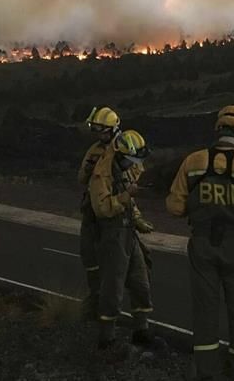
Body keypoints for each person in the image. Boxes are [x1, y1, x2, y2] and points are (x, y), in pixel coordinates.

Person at [166, 105, 234, 380]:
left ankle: (207, 373)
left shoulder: (193, 161)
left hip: (202, 244)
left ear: (219, 130)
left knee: (205, 313)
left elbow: (175, 207)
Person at [88, 128, 156, 349]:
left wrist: (137, 219)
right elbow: (102, 209)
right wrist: (127, 196)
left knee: (140, 281)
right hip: (112, 234)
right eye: (131, 160)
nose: (134, 165)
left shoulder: (123, 171)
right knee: (113, 286)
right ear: (120, 155)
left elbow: (130, 202)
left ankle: (141, 330)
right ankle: (107, 337)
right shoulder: (101, 175)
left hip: (128, 232)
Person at [78, 106, 121, 319]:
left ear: (113, 130)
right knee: (88, 252)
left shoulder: (122, 149)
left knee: (114, 259)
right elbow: (81, 178)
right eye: (96, 131)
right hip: (92, 210)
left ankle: (110, 305)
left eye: (103, 132)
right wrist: (88, 169)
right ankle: (95, 296)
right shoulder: (94, 150)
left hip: (113, 210)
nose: (99, 136)